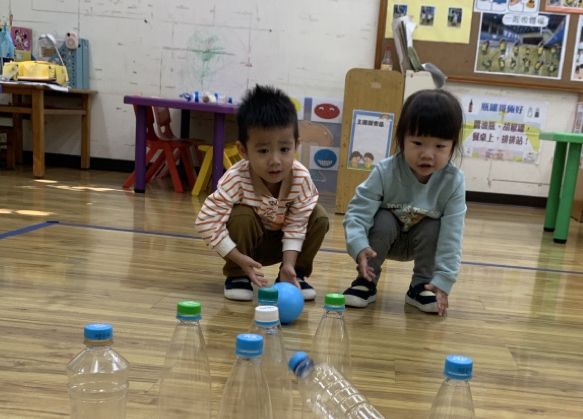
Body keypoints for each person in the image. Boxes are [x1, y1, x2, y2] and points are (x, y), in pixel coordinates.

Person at [195, 84, 329, 302]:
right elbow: (206, 222)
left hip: (282, 247)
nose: (275, 160)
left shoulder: (301, 178)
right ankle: (237, 275)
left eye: (284, 149)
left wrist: (288, 264)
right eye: (263, 150)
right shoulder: (236, 178)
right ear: (244, 150)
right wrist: (238, 258)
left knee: (319, 216)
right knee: (241, 216)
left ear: (296, 145)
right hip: (245, 248)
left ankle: (294, 274)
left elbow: (297, 224)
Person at [341, 90, 466, 317]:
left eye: (439, 146)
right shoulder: (385, 171)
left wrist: (444, 279)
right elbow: (358, 213)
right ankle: (365, 281)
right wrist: (358, 246)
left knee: (435, 225)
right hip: (383, 241)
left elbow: (452, 236)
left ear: (452, 145)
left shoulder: (453, 181)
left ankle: (422, 286)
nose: (427, 154)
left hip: (422, 244)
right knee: (382, 218)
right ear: (402, 139)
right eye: (417, 143)